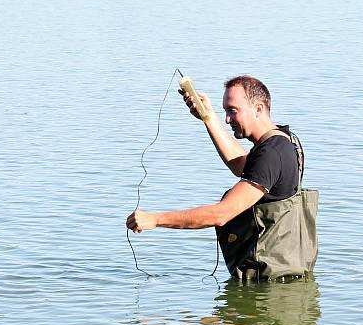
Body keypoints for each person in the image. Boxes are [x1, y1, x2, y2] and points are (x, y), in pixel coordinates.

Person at [126, 75, 316, 280]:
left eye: (233, 111)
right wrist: (208, 117)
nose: (227, 119)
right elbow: (240, 165)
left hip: (271, 289)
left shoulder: (270, 155)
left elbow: (222, 214)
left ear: (259, 108)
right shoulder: (285, 142)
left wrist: (155, 220)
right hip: (287, 278)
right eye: (225, 111)